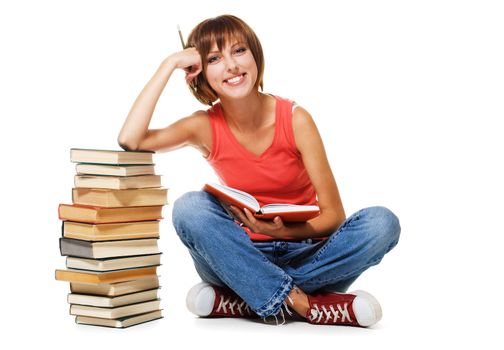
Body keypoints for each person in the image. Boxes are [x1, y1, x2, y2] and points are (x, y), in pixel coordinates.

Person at [117, 14, 400, 327]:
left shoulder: (296, 119)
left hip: (305, 253)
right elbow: (131, 139)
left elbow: (333, 215)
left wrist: (283, 232)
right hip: (236, 255)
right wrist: (169, 63)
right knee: (189, 207)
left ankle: (243, 300)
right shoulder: (204, 126)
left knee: (382, 223)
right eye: (214, 58)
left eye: (239, 51)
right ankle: (302, 302)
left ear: (255, 55)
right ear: (200, 74)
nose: (231, 66)